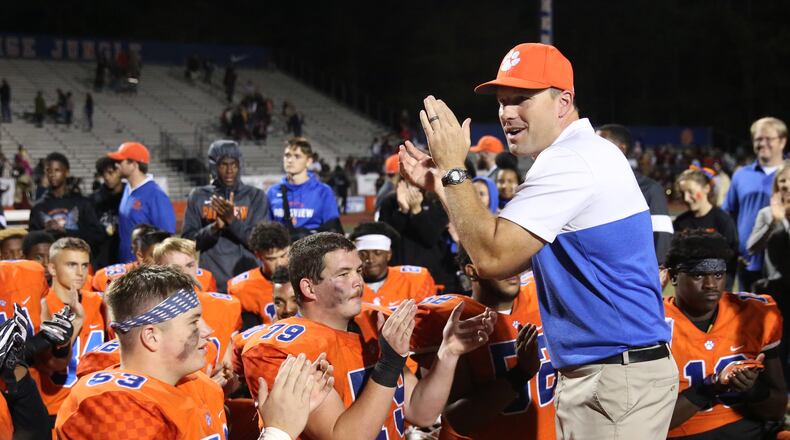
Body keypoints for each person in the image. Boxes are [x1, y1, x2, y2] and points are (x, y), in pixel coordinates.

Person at [399, 42, 676, 439]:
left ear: (563, 102)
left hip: (616, 375)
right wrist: (443, 186)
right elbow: (497, 241)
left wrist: (454, 169)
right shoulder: (581, 153)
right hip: (614, 372)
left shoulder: (571, 160)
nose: (506, 113)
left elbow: (494, 257)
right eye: (502, 101)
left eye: (521, 99)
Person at [241, 232, 496, 440]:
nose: (358, 282)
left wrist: (448, 353)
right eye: (343, 274)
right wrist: (390, 363)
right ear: (309, 288)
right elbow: (344, 437)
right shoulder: (283, 348)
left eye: (358, 271)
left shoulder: (372, 321)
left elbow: (420, 412)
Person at [54, 265, 222, 439]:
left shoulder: (193, 383)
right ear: (151, 336)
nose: (208, 330)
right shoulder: (118, 408)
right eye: (193, 322)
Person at [410, 248, 555, 440]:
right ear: (472, 271)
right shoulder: (453, 320)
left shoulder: (539, 295)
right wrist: (520, 374)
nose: (511, 271)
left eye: (514, 262)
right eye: (499, 263)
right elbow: (459, 420)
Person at [664, 229, 786, 438]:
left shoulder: (754, 313)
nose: (711, 284)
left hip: (749, 429)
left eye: (718, 274)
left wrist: (751, 388)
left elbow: (776, 409)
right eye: (698, 274)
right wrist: (710, 387)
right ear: (674, 276)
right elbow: (649, 423)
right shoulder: (654, 323)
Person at [29, 237, 106, 425]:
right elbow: (49, 363)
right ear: (52, 268)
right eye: (72, 265)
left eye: (84, 265)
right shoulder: (40, 305)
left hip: (94, 407)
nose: (80, 273)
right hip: (53, 410)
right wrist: (76, 322)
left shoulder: (100, 302)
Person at [182, 140, 269, 292]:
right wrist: (214, 228)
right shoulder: (198, 196)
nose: (230, 171)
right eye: (223, 165)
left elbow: (260, 242)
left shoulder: (255, 196)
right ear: (213, 166)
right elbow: (187, 244)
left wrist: (232, 221)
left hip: (247, 280)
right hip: (212, 282)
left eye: (234, 164)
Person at [152, 237, 242, 381]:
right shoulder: (150, 312)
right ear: (158, 269)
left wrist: (228, 376)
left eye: (189, 265)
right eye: (176, 269)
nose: (185, 274)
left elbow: (232, 372)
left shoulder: (226, 306)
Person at [724, 117, 787, 291]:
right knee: (748, 315)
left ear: (782, 141)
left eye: (769, 139)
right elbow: (729, 213)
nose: (762, 143)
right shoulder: (741, 175)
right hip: (747, 263)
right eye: (758, 139)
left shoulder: (788, 173)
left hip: (782, 263)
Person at [597, 123, 674, 265]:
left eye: (599, 144)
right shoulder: (591, 186)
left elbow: (662, 239)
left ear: (621, 149)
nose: (592, 149)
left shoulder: (649, 189)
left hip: (634, 280)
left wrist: (654, 279)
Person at [379, 180, 459, 292]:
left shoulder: (438, 201)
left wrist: (417, 211)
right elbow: (387, 239)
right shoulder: (389, 202)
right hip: (400, 278)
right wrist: (403, 210)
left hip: (435, 278)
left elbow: (430, 237)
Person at [109, 142, 176, 263]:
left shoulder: (156, 195)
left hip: (145, 270)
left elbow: (166, 237)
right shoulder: (128, 189)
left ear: (134, 164)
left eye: (120, 161)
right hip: (127, 264)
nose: (116, 165)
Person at [28, 153, 105, 256]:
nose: (52, 174)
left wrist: (65, 231)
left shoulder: (82, 203)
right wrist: (45, 232)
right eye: (49, 170)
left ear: (67, 172)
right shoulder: (38, 207)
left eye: (57, 170)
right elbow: (31, 241)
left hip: (77, 260)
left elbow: (98, 236)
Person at [673, 167, 739, 288]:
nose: (686, 198)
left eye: (690, 192)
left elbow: (731, 261)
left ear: (707, 188)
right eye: (682, 193)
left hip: (716, 291)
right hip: (688, 292)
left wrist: (723, 291)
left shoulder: (723, 221)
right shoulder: (679, 223)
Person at [266, 138, 343, 239]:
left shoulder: (323, 192)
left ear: (309, 161)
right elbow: (267, 229)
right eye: (287, 155)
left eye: (297, 156)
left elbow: (333, 230)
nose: (290, 160)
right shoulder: (272, 192)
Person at [349, 222, 436, 306]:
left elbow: (428, 316)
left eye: (377, 253)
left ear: (388, 254)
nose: (370, 259)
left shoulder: (415, 280)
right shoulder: (347, 285)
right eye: (363, 254)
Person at [228, 221, 291, 328]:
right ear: (258, 255)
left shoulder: (304, 277)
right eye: (271, 259)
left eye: (283, 255)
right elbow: (249, 333)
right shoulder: (244, 287)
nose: (279, 263)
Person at [91, 226, 169, 293]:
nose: (163, 261)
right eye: (156, 256)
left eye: (166, 256)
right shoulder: (108, 277)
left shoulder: (177, 280)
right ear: (140, 257)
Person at [90, 157, 124, 268]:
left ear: (119, 171)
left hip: (126, 256)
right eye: (104, 174)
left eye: (111, 173)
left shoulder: (130, 196)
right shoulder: (94, 199)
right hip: (102, 259)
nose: (107, 177)